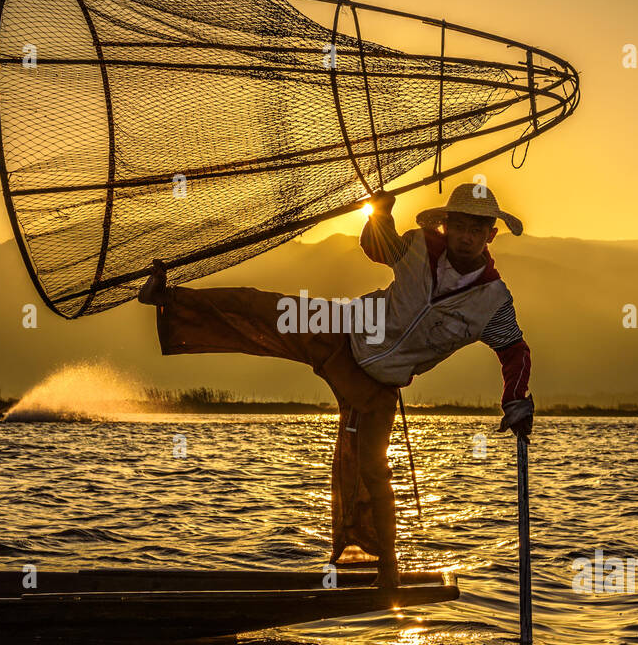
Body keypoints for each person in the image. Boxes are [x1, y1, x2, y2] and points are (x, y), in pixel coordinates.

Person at [139, 183, 533, 587]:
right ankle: (168, 300)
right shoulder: (419, 247)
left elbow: (514, 352)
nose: (466, 236)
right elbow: (379, 247)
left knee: (372, 471)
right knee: (263, 308)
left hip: (380, 383)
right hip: (346, 330)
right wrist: (380, 213)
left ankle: (385, 571)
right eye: (460, 225)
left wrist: (515, 401)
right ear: (446, 226)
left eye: (477, 228)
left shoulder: (493, 300)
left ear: (490, 235)